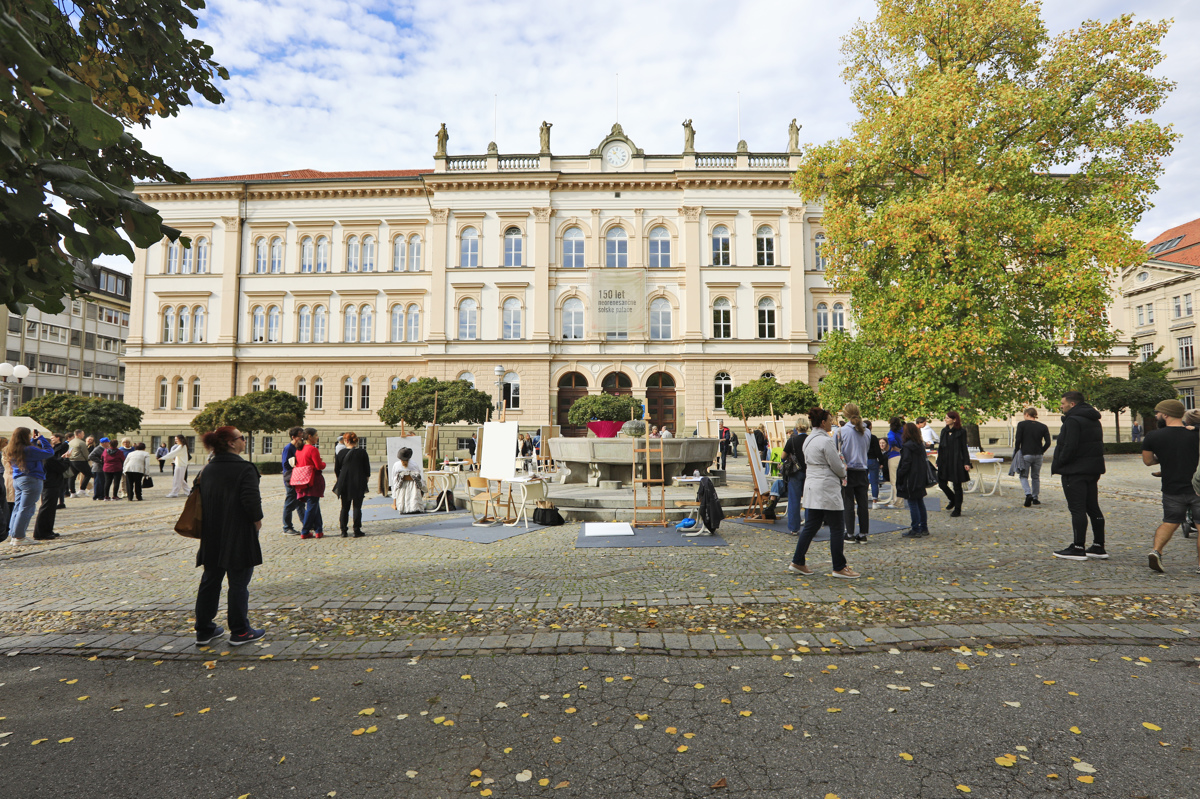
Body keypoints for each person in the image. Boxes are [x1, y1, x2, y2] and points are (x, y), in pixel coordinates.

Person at [193, 425, 265, 647]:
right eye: (241, 437)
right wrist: (257, 522)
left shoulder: (207, 469)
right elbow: (251, 501)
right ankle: (240, 631)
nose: (244, 440)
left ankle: (204, 630)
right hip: (239, 532)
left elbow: (197, 497)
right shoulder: (245, 468)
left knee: (210, 580)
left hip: (212, 532)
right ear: (232, 443)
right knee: (238, 583)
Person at [789, 407, 860, 579]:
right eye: (829, 420)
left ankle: (798, 560)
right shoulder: (825, 441)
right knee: (836, 526)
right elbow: (836, 464)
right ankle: (839, 566)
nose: (831, 422)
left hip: (812, 484)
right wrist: (843, 472)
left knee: (811, 525)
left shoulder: (808, 440)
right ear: (822, 422)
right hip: (826, 485)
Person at [1143, 399, 1199, 572]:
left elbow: (1148, 461)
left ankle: (1157, 551)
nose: (1156, 416)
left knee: (1170, 521)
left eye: (1157, 412)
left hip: (1172, 487)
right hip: (1198, 487)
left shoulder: (1153, 436)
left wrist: (1163, 459)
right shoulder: (1194, 433)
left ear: (1165, 414)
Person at [1050, 390, 1106, 561]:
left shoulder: (1072, 420)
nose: (1061, 406)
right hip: (1092, 469)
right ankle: (1098, 546)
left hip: (1074, 471)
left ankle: (1078, 547)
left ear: (1072, 404)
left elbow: (1069, 446)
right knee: (1092, 507)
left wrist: (1060, 462)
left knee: (1078, 509)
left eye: (1063, 403)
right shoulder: (1093, 419)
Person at [4, 428, 54, 546]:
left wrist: (33, 440)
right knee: (27, 508)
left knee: (18, 507)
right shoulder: (29, 449)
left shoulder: (11, 449)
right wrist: (41, 438)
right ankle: (19, 536)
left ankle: (13, 534)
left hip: (18, 479)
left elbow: (30, 450)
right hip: (31, 479)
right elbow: (49, 452)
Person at [838, 403, 872, 544]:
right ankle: (863, 533)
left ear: (845, 414)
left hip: (848, 470)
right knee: (863, 503)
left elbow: (837, 451)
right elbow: (867, 450)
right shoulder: (867, 431)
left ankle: (850, 533)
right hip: (862, 469)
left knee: (848, 503)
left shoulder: (842, 431)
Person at [1011, 407, 1052, 507]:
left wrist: (1016, 451)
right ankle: (1035, 497)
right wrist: (1042, 451)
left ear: (1027, 415)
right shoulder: (1043, 426)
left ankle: (1028, 494)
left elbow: (1018, 440)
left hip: (1026, 454)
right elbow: (1048, 442)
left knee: (1023, 476)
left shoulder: (1022, 425)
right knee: (1035, 476)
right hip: (1038, 455)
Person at [895, 422, 930, 538]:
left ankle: (916, 528)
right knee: (919, 502)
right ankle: (923, 527)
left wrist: (900, 475)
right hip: (919, 476)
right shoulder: (919, 445)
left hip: (910, 478)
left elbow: (906, 463)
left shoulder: (907, 446)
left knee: (913, 502)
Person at [33, 435, 71, 540]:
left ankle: (48, 530)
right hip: (51, 483)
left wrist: (61, 458)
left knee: (50, 508)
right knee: (47, 508)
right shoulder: (48, 456)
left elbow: (56, 463)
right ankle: (41, 532)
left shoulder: (42, 455)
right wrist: (67, 460)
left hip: (48, 482)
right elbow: (61, 468)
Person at [334, 431, 370, 537]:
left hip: (344, 482)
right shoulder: (362, 452)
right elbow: (367, 470)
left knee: (344, 507)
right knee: (357, 507)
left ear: (346, 440)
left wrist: (340, 479)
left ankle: (343, 531)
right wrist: (365, 481)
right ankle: (356, 529)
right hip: (358, 481)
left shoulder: (341, 453)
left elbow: (337, 469)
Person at [937, 411, 971, 517]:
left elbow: (963, 448)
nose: (945, 419)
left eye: (947, 418)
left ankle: (957, 509)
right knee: (941, 483)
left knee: (957, 485)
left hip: (956, 461)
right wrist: (938, 460)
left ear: (954, 420)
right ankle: (952, 498)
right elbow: (941, 448)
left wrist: (966, 462)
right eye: (945, 418)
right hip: (944, 461)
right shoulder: (944, 431)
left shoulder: (961, 432)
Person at [295, 428, 326, 539]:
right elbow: (319, 466)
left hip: (302, 480)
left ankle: (319, 530)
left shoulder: (299, 449)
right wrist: (324, 463)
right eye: (316, 435)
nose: (317, 437)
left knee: (314, 504)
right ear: (309, 436)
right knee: (312, 505)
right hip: (313, 480)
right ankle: (305, 530)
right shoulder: (312, 449)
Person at [280, 426, 305, 536]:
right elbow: (286, 464)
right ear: (293, 437)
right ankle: (287, 527)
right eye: (300, 436)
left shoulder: (299, 447)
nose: (302, 438)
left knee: (300, 502)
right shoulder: (288, 448)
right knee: (290, 503)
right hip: (291, 478)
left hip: (298, 477)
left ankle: (306, 523)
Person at [391, 446, 426, 514]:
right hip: (414, 487)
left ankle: (400, 506)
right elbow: (418, 475)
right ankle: (416, 505)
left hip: (401, 486)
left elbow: (394, 478)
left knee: (395, 483)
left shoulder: (396, 465)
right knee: (421, 483)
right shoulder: (414, 464)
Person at [882, 417, 905, 509]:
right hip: (902, 455)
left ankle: (898, 502)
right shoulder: (903, 431)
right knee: (900, 480)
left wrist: (893, 445)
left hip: (893, 455)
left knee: (894, 481)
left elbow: (891, 439)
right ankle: (897, 500)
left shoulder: (891, 433)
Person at [67, 429, 91, 497]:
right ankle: (82, 489)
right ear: (79, 434)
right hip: (80, 460)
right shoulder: (81, 442)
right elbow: (85, 453)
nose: (84, 435)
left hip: (71, 460)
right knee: (88, 474)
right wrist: (87, 459)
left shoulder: (70, 442)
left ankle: (72, 492)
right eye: (83, 434)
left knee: (72, 476)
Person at [865, 420, 882, 506]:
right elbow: (877, 451)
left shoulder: (861, 437)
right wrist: (881, 461)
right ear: (870, 427)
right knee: (874, 481)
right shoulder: (873, 437)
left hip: (863, 460)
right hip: (872, 459)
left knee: (864, 481)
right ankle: (875, 501)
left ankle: (863, 499)